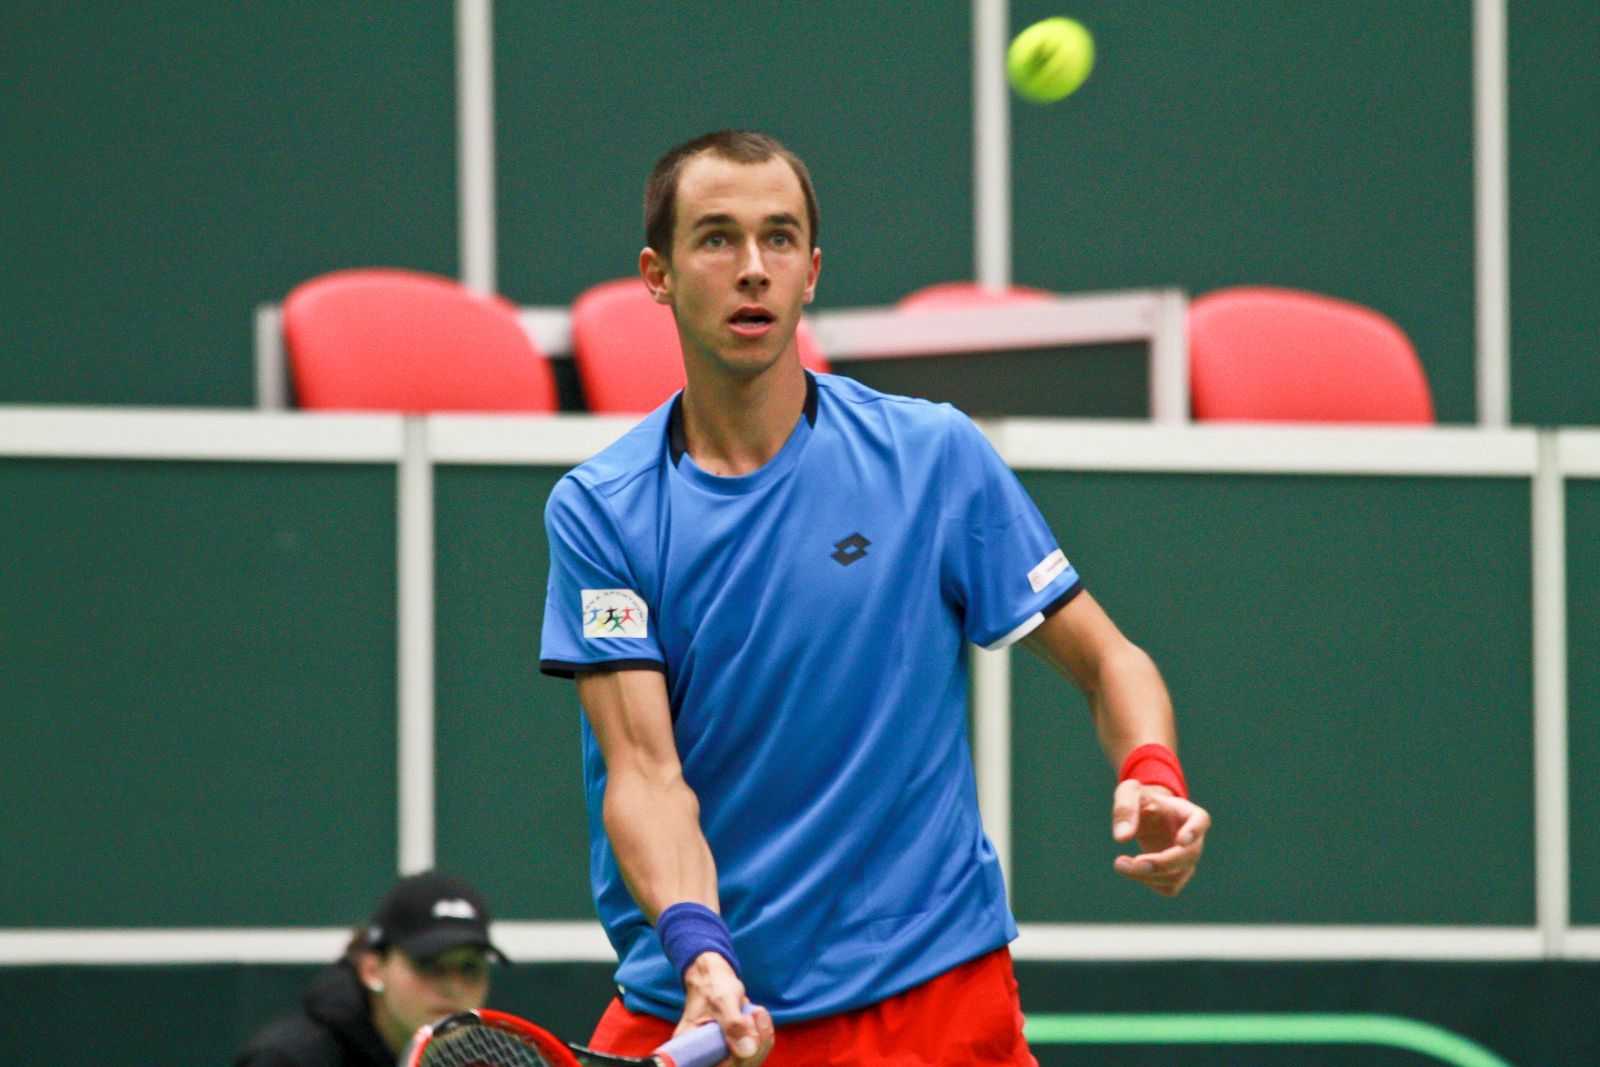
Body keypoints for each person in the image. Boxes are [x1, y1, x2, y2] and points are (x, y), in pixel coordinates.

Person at [538, 129, 1211, 1066]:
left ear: (812, 271)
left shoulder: (932, 457)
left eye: (779, 240)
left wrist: (1153, 770)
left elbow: (1109, 660)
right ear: (657, 273)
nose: (752, 270)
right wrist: (699, 947)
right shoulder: (603, 512)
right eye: (716, 239)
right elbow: (644, 773)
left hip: (929, 993)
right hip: (708, 998)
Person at [234, 870, 506, 1067]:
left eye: (470, 967)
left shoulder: (476, 1062)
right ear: (373, 969)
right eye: (429, 964)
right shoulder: (289, 1059)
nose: (453, 986)